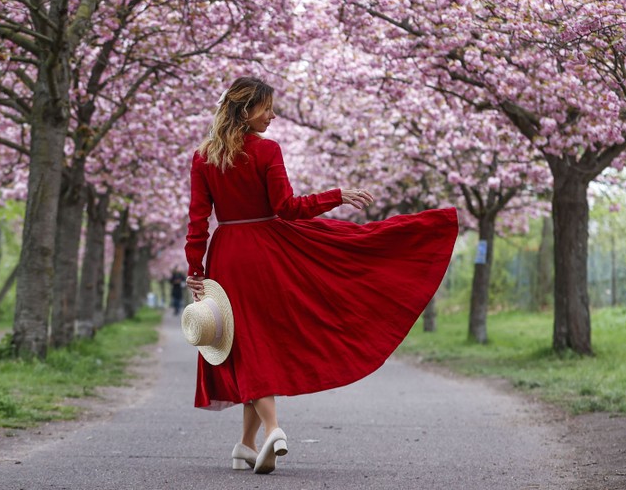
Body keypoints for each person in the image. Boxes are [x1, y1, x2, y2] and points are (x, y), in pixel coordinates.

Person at [184, 76, 458, 475]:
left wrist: (196, 270)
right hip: (267, 253)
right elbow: (287, 208)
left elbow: (197, 222)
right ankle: (273, 430)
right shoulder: (267, 150)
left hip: (226, 254)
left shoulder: (203, 157)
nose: (273, 115)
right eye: (267, 108)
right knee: (259, 344)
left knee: (248, 344)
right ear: (246, 111)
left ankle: (245, 445)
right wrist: (336, 195)